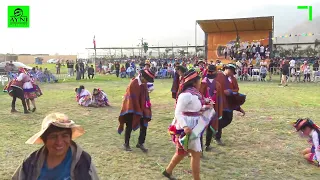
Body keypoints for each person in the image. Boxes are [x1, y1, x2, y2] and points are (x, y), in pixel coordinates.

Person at [11, 113, 99, 180]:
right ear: (44, 140)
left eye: (64, 136)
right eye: (53, 137)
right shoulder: (31, 162)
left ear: (70, 138)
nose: (59, 142)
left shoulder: (83, 160)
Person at [164, 70, 215, 180]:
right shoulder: (185, 95)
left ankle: (168, 171)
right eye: (199, 81)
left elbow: (194, 109)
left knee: (182, 152)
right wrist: (185, 126)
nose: (200, 83)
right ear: (193, 82)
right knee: (196, 153)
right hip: (187, 126)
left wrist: (206, 107)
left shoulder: (196, 94)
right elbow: (178, 112)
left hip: (193, 125)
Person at [118, 69, 155, 152]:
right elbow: (132, 99)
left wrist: (147, 107)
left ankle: (140, 143)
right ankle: (126, 144)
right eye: (146, 79)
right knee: (129, 125)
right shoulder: (133, 83)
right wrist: (138, 110)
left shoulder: (144, 84)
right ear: (142, 76)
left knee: (144, 125)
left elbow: (146, 96)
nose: (147, 81)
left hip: (141, 107)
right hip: (131, 107)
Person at [214, 64, 244, 145]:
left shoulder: (233, 79)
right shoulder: (217, 75)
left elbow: (236, 89)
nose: (231, 73)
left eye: (233, 72)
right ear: (226, 69)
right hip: (219, 102)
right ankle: (217, 137)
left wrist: (230, 91)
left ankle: (214, 129)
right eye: (231, 71)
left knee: (228, 119)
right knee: (220, 118)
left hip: (228, 103)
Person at [199, 65, 223, 152]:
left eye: (212, 71)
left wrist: (218, 109)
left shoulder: (217, 84)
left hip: (213, 108)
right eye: (209, 71)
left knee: (210, 126)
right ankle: (199, 148)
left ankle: (207, 145)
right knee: (200, 127)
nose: (210, 73)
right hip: (203, 108)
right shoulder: (203, 82)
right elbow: (200, 95)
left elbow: (219, 98)